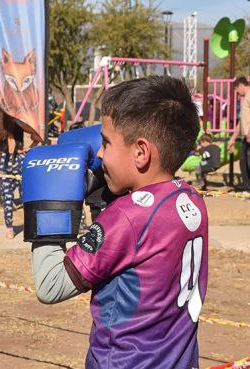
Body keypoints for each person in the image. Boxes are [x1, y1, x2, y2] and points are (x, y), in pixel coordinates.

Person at [31, 76, 208, 368]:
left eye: (106, 142)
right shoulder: (191, 199)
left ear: (141, 152)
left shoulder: (127, 217)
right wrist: (104, 199)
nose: (99, 154)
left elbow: (51, 286)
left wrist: (47, 205)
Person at [0, 106, 40, 239]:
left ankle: (9, 229)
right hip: (19, 161)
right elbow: (37, 135)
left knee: (7, 198)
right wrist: (29, 147)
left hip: (5, 162)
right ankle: (31, 226)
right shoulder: (18, 123)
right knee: (26, 196)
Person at [228, 76, 250, 190]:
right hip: (246, 136)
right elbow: (242, 122)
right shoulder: (246, 97)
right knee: (243, 162)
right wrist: (232, 139)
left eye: (236, 90)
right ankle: (247, 188)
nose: (237, 93)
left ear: (240, 86)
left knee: (247, 162)